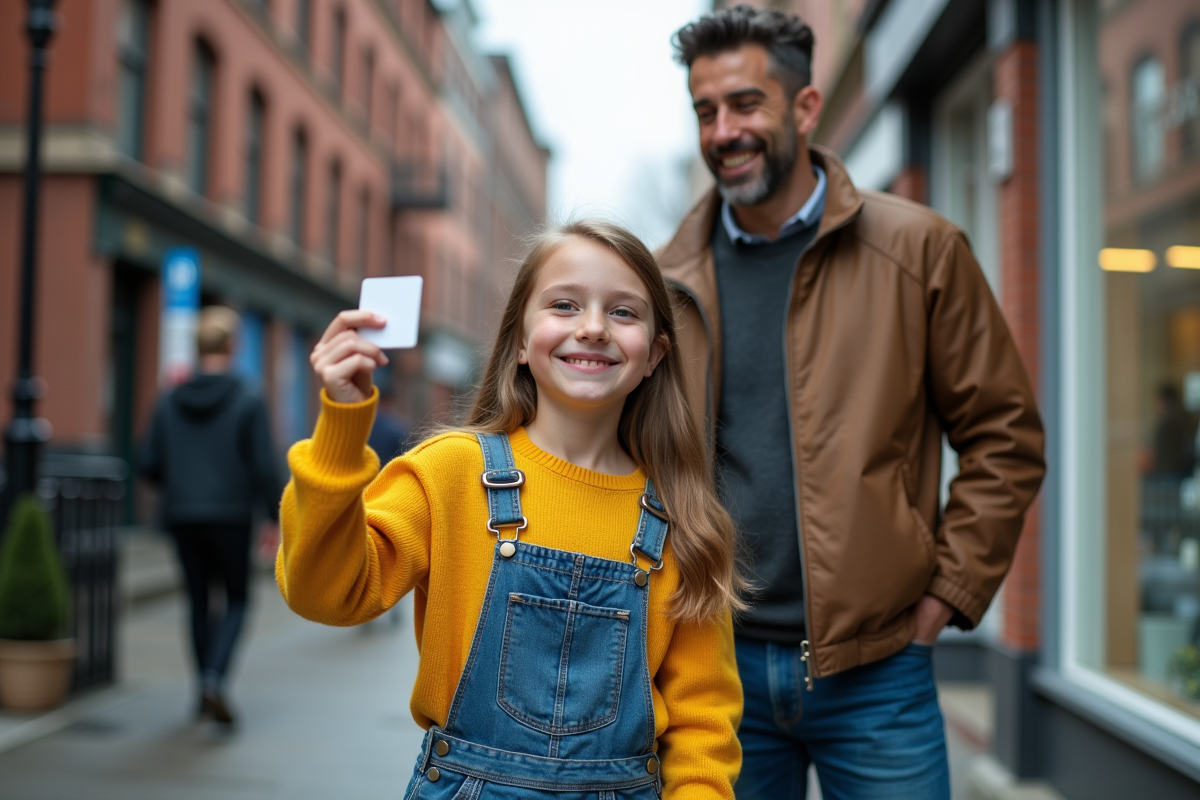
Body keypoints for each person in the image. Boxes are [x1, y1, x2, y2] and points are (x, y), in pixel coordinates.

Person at [660, 6, 1046, 799]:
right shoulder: (667, 280)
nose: (723, 131)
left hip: (879, 674)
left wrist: (946, 595)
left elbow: (1004, 435)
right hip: (714, 672)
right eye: (705, 110)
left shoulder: (920, 249)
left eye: (745, 104)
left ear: (806, 108)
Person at [277, 221, 746, 799]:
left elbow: (703, 724)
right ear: (520, 340)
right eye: (564, 305)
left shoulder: (685, 520)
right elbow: (324, 595)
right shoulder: (450, 472)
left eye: (623, 312)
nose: (593, 327)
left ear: (654, 354)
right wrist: (340, 431)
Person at [139, 306, 281, 727]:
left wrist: (180, 480)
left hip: (182, 514)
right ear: (233, 346)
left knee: (198, 601)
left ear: (198, 347)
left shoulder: (168, 399)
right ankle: (214, 679)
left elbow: (148, 462)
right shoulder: (249, 398)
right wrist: (273, 516)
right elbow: (263, 465)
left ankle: (202, 688)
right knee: (237, 598)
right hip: (231, 514)